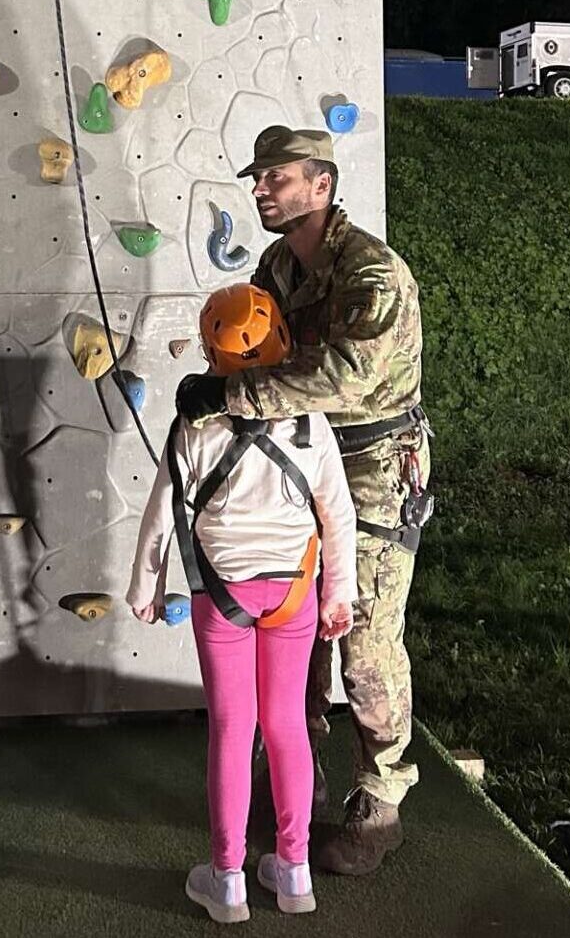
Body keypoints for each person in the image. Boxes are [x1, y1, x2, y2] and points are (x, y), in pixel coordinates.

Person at [175, 126, 432, 877]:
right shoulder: (276, 265)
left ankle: (378, 796)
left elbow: (344, 378)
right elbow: (261, 349)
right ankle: (297, 771)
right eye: (258, 178)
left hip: (374, 463)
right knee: (292, 619)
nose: (260, 189)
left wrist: (229, 393)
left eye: (276, 178)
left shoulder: (372, 273)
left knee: (363, 640)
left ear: (320, 185)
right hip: (294, 459)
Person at [129, 282, 357, 923]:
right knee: (286, 725)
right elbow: (336, 516)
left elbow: (163, 513)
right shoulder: (311, 423)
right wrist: (339, 592)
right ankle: (294, 872)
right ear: (281, 339)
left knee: (233, 730)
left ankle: (226, 878)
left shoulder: (192, 426)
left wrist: (145, 587)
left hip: (220, 595)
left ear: (211, 354)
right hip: (293, 595)